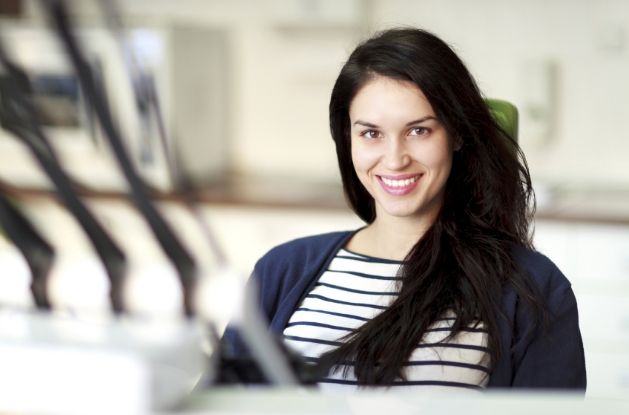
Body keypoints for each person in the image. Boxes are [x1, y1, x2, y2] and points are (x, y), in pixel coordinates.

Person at [224, 28, 586, 391]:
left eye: (419, 131)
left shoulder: (533, 289)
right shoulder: (281, 269)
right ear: (347, 140)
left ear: (456, 134)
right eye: (371, 133)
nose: (395, 159)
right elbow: (217, 401)